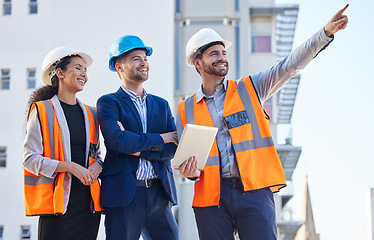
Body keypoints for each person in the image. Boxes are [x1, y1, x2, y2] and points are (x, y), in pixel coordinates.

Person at [176, 5, 349, 240]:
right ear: (197, 63)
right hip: (211, 199)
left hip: (254, 191)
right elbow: (189, 163)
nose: (222, 58)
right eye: (214, 54)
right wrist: (190, 172)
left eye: (223, 53)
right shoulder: (184, 109)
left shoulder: (250, 88)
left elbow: (290, 66)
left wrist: (325, 33)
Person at [97, 35, 179, 240]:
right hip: (124, 196)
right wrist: (161, 138)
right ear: (119, 66)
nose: (143, 63)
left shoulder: (161, 105)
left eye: (145, 58)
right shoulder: (108, 103)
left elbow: (173, 149)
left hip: (160, 194)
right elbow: (117, 141)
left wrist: (134, 144)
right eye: (136, 58)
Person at [23, 47, 103, 239]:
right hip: (57, 207)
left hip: (88, 206)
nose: (84, 73)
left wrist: (97, 167)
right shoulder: (42, 110)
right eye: (78, 67)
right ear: (59, 73)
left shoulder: (92, 114)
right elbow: (30, 159)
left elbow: (97, 155)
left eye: (85, 69)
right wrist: (69, 167)